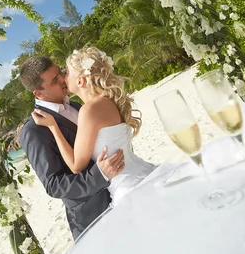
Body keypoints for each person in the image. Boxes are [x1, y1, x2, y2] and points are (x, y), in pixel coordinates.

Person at [31, 47, 179, 205]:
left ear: (80, 81)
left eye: (66, 73)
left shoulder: (88, 110)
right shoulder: (107, 100)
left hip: (129, 188)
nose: (63, 79)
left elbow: (75, 166)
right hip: (144, 173)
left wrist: (53, 127)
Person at [18, 55, 125, 240]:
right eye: (54, 80)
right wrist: (100, 175)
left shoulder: (77, 104)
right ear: (39, 93)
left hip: (121, 193)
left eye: (60, 72)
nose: (62, 79)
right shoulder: (34, 130)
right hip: (93, 216)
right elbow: (54, 185)